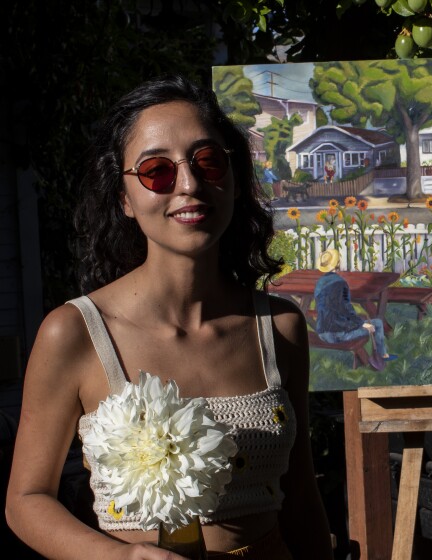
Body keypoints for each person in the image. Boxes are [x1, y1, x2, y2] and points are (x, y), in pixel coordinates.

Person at [5, 76, 332, 560]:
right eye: (157, 170)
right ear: (123, 198)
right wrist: (121, 557)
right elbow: (26, 501)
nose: (189, 184)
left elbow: (301, 497)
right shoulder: (74, 332)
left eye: (208, 161)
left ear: (234, 178)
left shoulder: (279, 327)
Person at [313, 249, 394, 371]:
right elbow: (346, 309)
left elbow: (329, 307)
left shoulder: (319, 283)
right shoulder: (341, 283)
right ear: (337, 264)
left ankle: (364, 358)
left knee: (362, 317)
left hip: (322, 333)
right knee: (376, 323)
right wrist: (362, 324)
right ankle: (381, 356)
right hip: (338, 335)